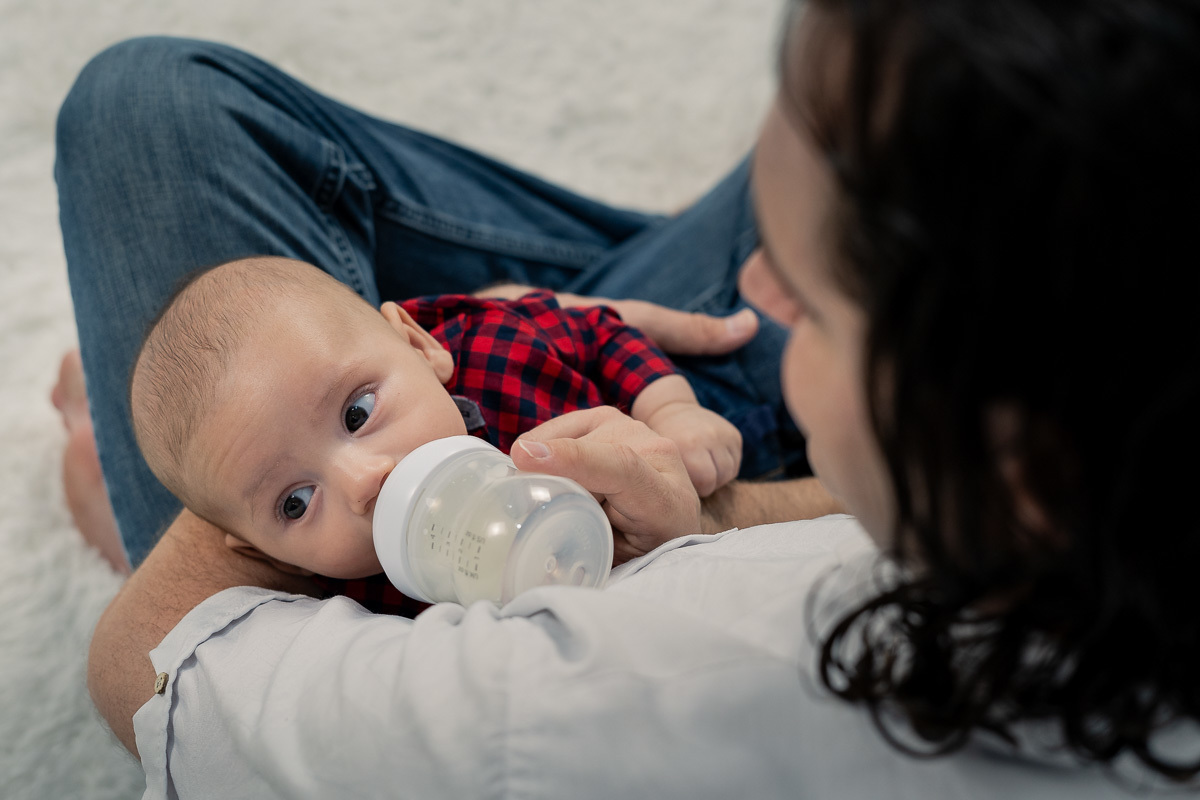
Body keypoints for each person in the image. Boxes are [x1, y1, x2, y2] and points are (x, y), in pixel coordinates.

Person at [69, 0, 1200, 796]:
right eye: (297, 497)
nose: (763, 283)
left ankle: (146, 481)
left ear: (1015, 464)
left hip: (693, 463)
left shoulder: (599, 691)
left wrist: (212, 493)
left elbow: (154, 665)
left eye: (813, 301)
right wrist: (513, 331)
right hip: (565, 380)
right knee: (157, 108)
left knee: (144, 117)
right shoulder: (1093, 499)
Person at [128, 254, 749, 612]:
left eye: (357, 414)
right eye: (295, 502)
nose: (365, 483)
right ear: (267, 556)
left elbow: (600, 333)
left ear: (421, 347)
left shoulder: (500, 348)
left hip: (695, 411)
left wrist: (673, 409)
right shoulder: (352, 609)